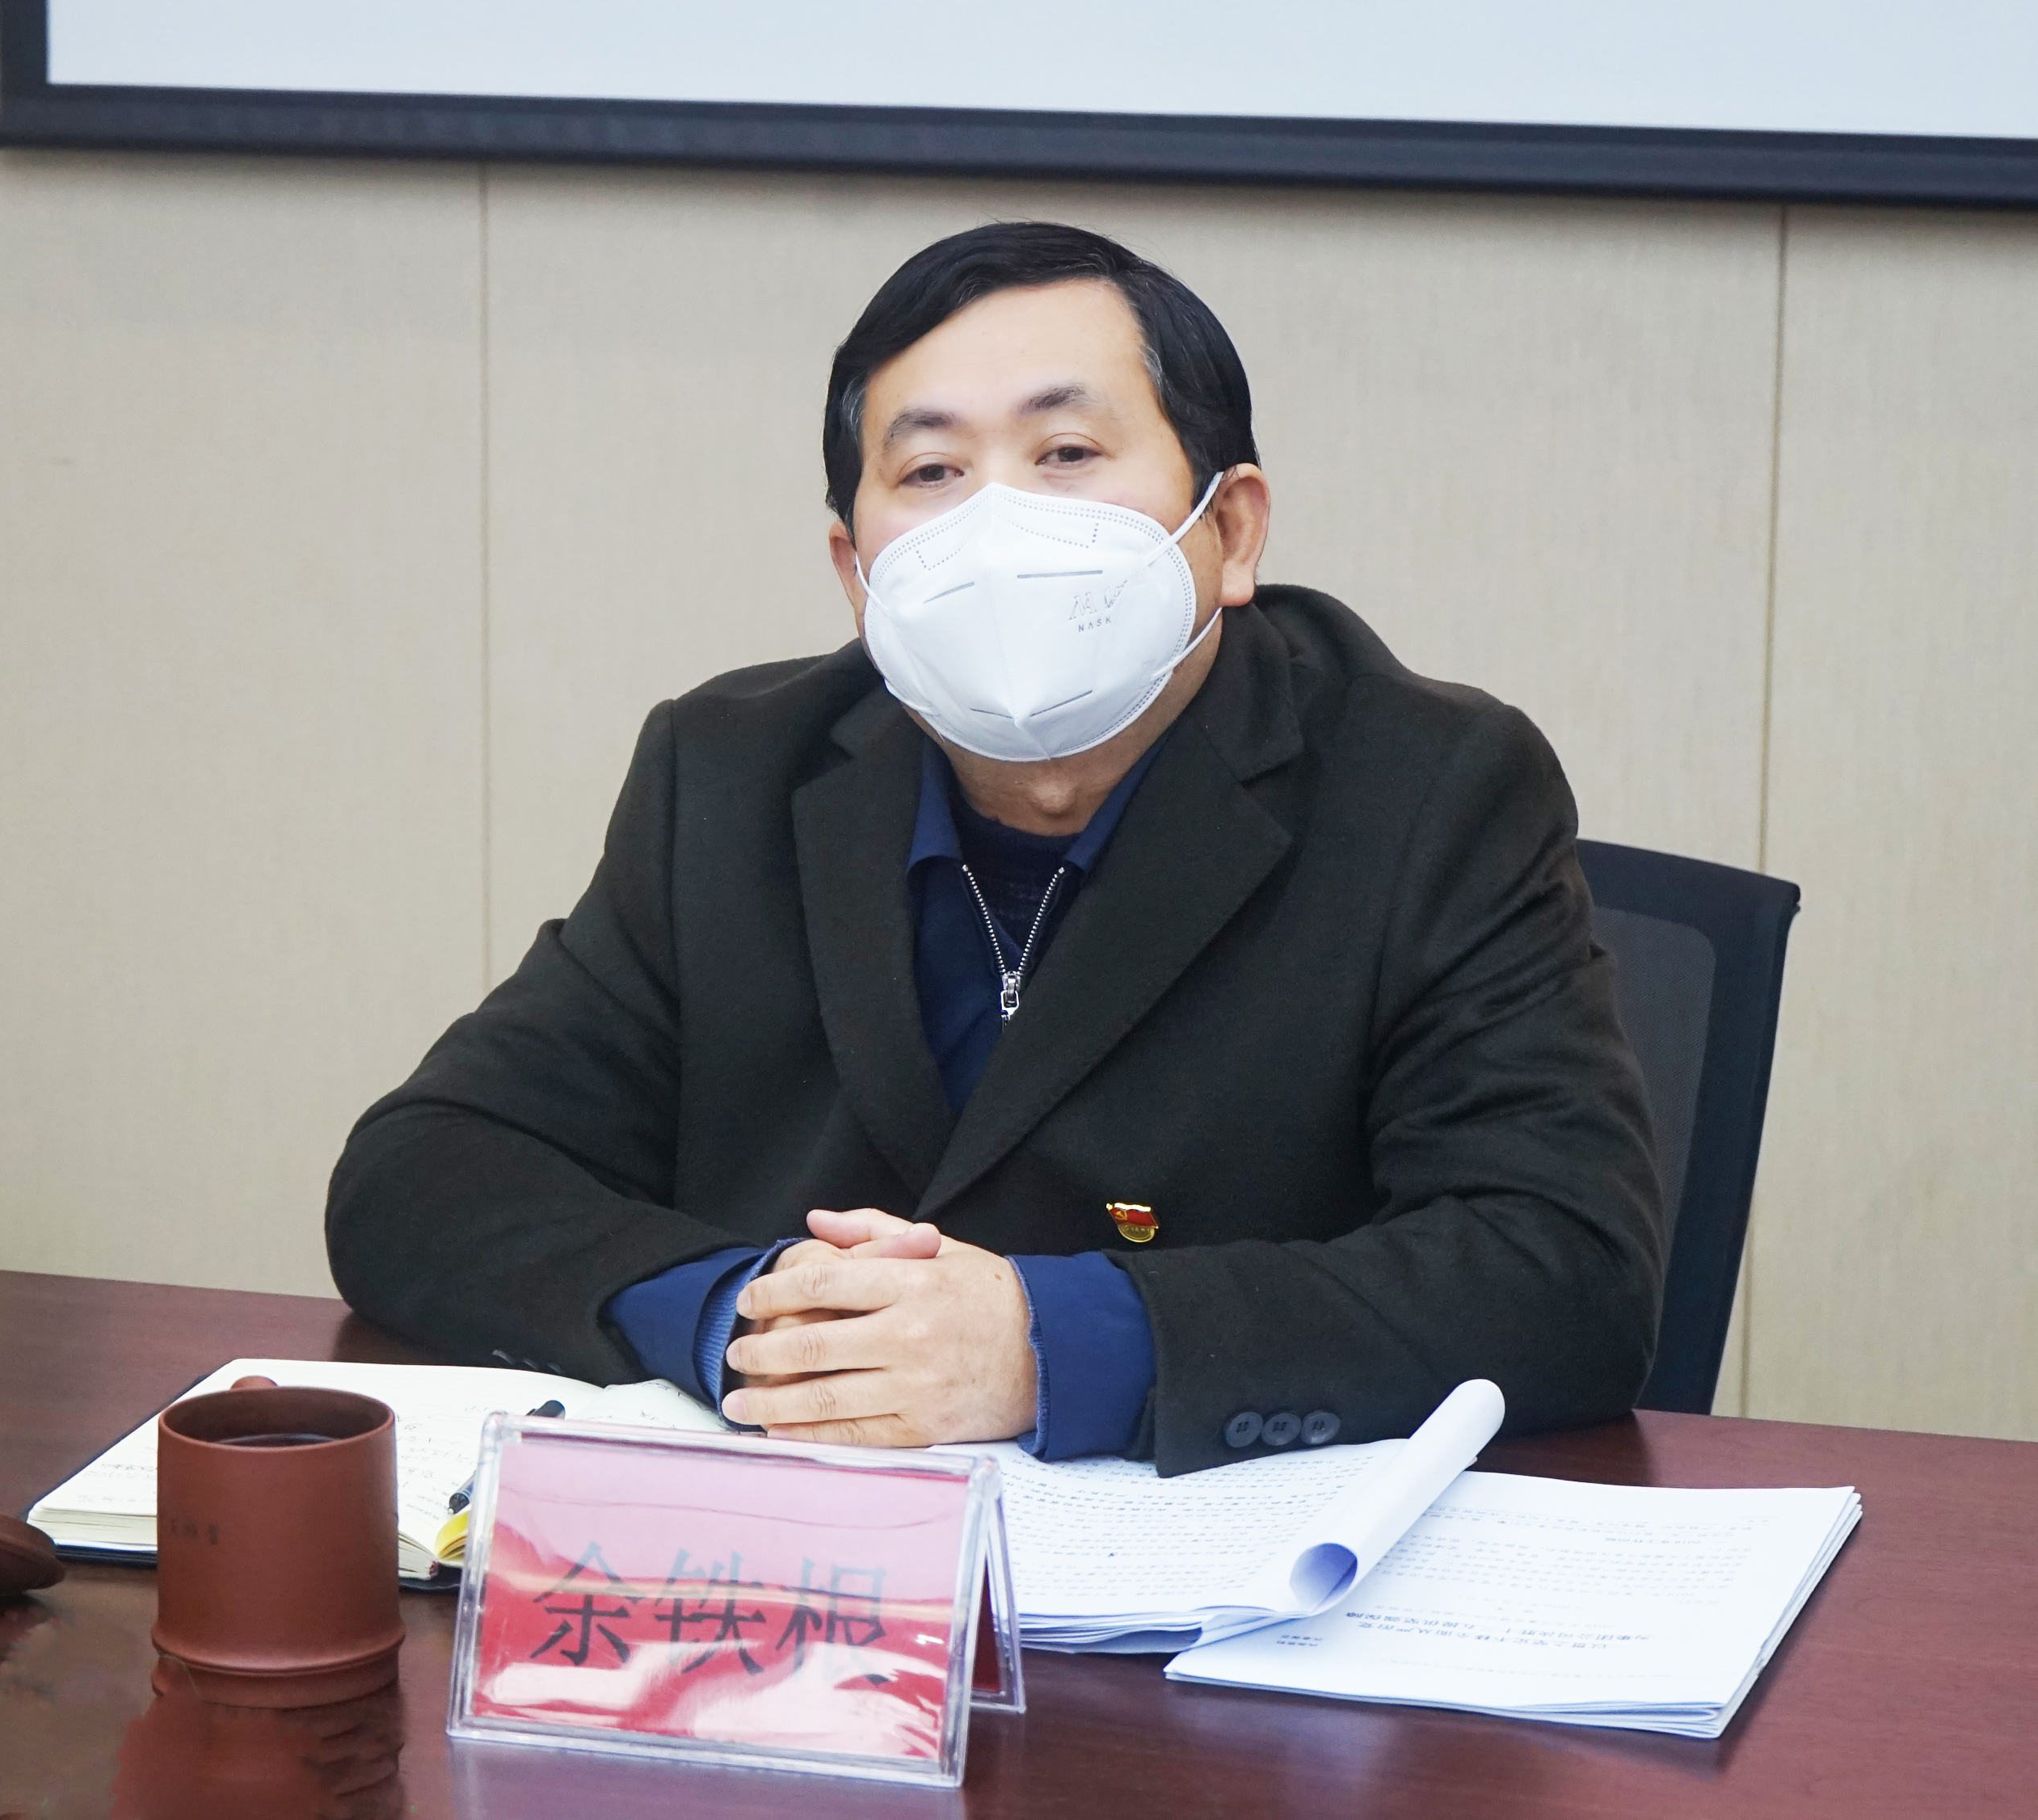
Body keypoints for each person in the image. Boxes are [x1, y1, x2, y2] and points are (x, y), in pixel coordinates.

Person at [326, 222, 1663, 1477]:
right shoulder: (729, 771)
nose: (1000, 524)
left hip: (1213, 1588)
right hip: (804, 1558)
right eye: (931, 473)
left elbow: (1562, 1271)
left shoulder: (1430, 786)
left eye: (1067, 453)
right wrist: (748, 1317)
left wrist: (1052, 1344)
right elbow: (424, 1173)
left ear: (1232, 529)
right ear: (857, 576)